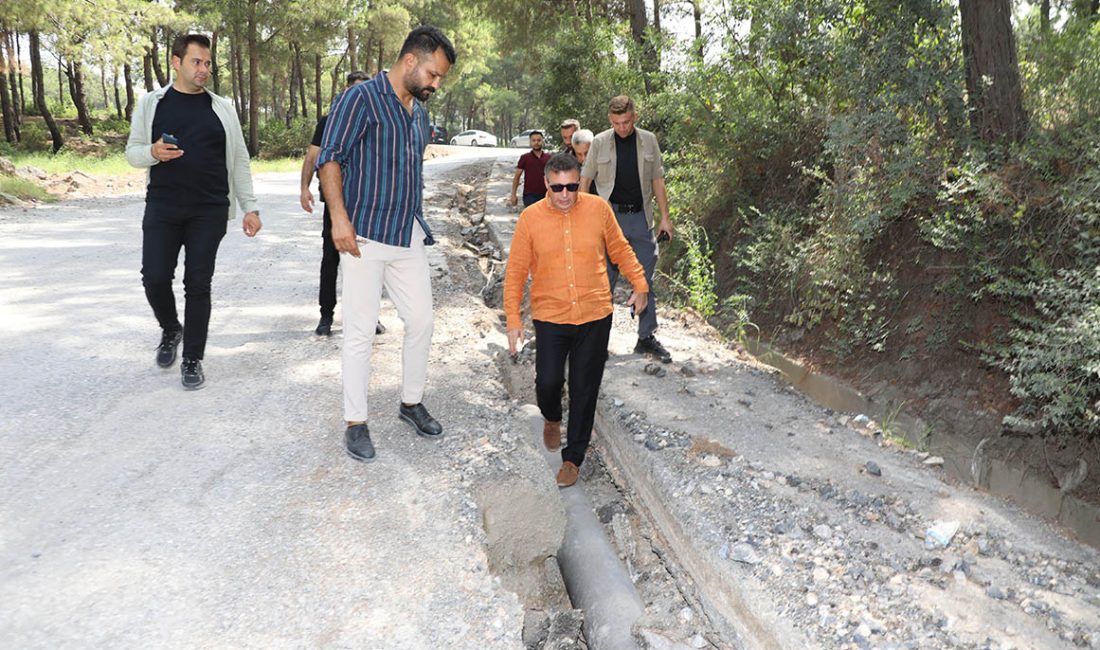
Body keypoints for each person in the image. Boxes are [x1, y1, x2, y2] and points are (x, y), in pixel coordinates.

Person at [317, 25, 456, 463]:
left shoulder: (419, 113)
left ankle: (410, 402)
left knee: (422, 321)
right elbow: (330, 157)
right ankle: (355, 422)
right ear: (411, 60)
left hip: (407, 232)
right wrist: (339, 218)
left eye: (441, 78)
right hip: (363, 235)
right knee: (360, 331)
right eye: (433, 74)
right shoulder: (360, 98)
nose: (436, 83)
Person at [126, 33, 262, 391]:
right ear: (176, 62)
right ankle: (171, 329)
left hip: (209, 209)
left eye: (207, 63)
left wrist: (250, 207)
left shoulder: (222, 108)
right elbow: (132, 152)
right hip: (163, 205)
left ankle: (193, 359)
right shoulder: (152, 104)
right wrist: (153, 152)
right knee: (154, 277)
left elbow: (239, 160)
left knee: (198, 284)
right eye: (195, 62)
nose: (203, 69)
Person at [504, 153, 649, 487]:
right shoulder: (530, 218)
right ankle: (552, 417)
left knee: (585, 389)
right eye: (558, 188)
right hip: (551, 315)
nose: (565, 194)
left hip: (594, 313)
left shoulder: (598, 210)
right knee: (548, 382)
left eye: (572, 186)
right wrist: (513, 318)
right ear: (547, 184)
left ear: (579, 181)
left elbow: (621, 250)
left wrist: (640, 284)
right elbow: (515, 272)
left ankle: (573, 458)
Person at [580, 95, 674, 363]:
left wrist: (665, 217)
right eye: (616, 123)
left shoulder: (649, 140)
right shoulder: (599, 142)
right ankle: (596, 342)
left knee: (644, 278)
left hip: (640, 219)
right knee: (603, 280)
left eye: (627, 122)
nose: (622, 127)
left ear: (634, 117)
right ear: (610, 121)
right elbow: (586, 180)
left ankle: (645, 338)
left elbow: (657, 180)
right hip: (609, 218)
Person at [299, 70, 384, 337]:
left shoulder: (375, 121)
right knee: (331, 260)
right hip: (337, 203)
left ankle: (370, 317)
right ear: (345, 91)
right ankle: (326, 316)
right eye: (355, 89)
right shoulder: (329, 121)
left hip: (367, 204)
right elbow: (313, 157)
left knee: (369, 261)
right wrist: (304, 187)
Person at [510, 130, 550, 208]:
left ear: (543, 141)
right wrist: (513, 195)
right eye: (533, 140)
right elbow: (517, 177)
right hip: (530, 195)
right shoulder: (525, 158)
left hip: (547, 194)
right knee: (532, 218)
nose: (536, 142)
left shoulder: (549, 158)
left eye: (539, 140)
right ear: (530, 142)